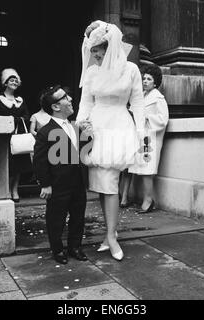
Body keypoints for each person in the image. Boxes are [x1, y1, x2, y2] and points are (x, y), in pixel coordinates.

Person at [76, 20, 145, 261]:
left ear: (110, 48)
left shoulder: (130, 69)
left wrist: (140, 132)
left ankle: (112, 236)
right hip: (97, 127)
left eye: (98, 49)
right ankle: (109, 234)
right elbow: (86, 101)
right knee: (102, 186)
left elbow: (137, 101)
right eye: (92, 50)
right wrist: (81, 123)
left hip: (119, 125)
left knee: (111, 183)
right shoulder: (92, 71)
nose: (93, 54)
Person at [33, 86, 90, 265]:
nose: (71, 99)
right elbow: (40, 161)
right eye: (65, 97)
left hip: (77, 181)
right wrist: (45, 184)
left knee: (78, 216)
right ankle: (57, 249)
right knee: (56, 217)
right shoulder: (45, 132)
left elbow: (80, 152)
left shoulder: (75, 127)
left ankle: (75, 247)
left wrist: (89, 137)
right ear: (56, 107)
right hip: (58, 184)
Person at [129, 64, 169, 213]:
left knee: (147, 170)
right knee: (141, 169)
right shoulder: (142, 97)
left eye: (149, 79)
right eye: (144, 78)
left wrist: (146, 117)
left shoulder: (158, 99)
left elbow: (163, 119)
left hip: (151, 138)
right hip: (141, 137)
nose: (145, 81)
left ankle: (148, 200)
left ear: (155, 82)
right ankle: (146, 198)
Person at [0, 68, 32, 203]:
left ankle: (15, 189)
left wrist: (17, 119)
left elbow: (27, 116)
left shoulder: (20, 100)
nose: (14, 82)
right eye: (11, 79)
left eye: (16, 80)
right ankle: (6, 190)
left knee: (19, 166)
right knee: (9, 165)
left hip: (19, 137)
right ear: (5, 83)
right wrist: (13, 119)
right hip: (6, 137)